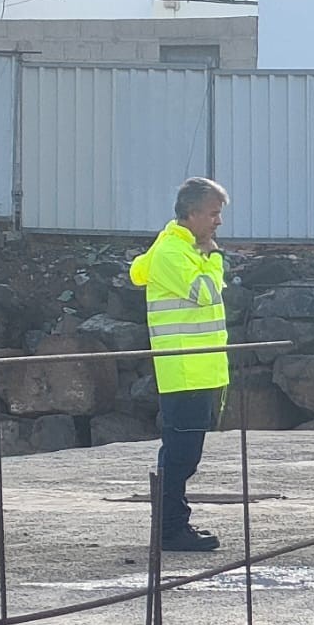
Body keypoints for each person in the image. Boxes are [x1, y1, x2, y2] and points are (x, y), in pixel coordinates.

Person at [129, 177, 232, 552]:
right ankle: (171, 529)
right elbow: (206, 293)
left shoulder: (181, 249)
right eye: (213, 214)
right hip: (185, 371)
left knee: (184, 453)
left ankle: (173, 524)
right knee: (180, 455)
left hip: (198, 369)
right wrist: (215, 257)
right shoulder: (174, 253)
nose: (218, 222)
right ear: (191, 214)